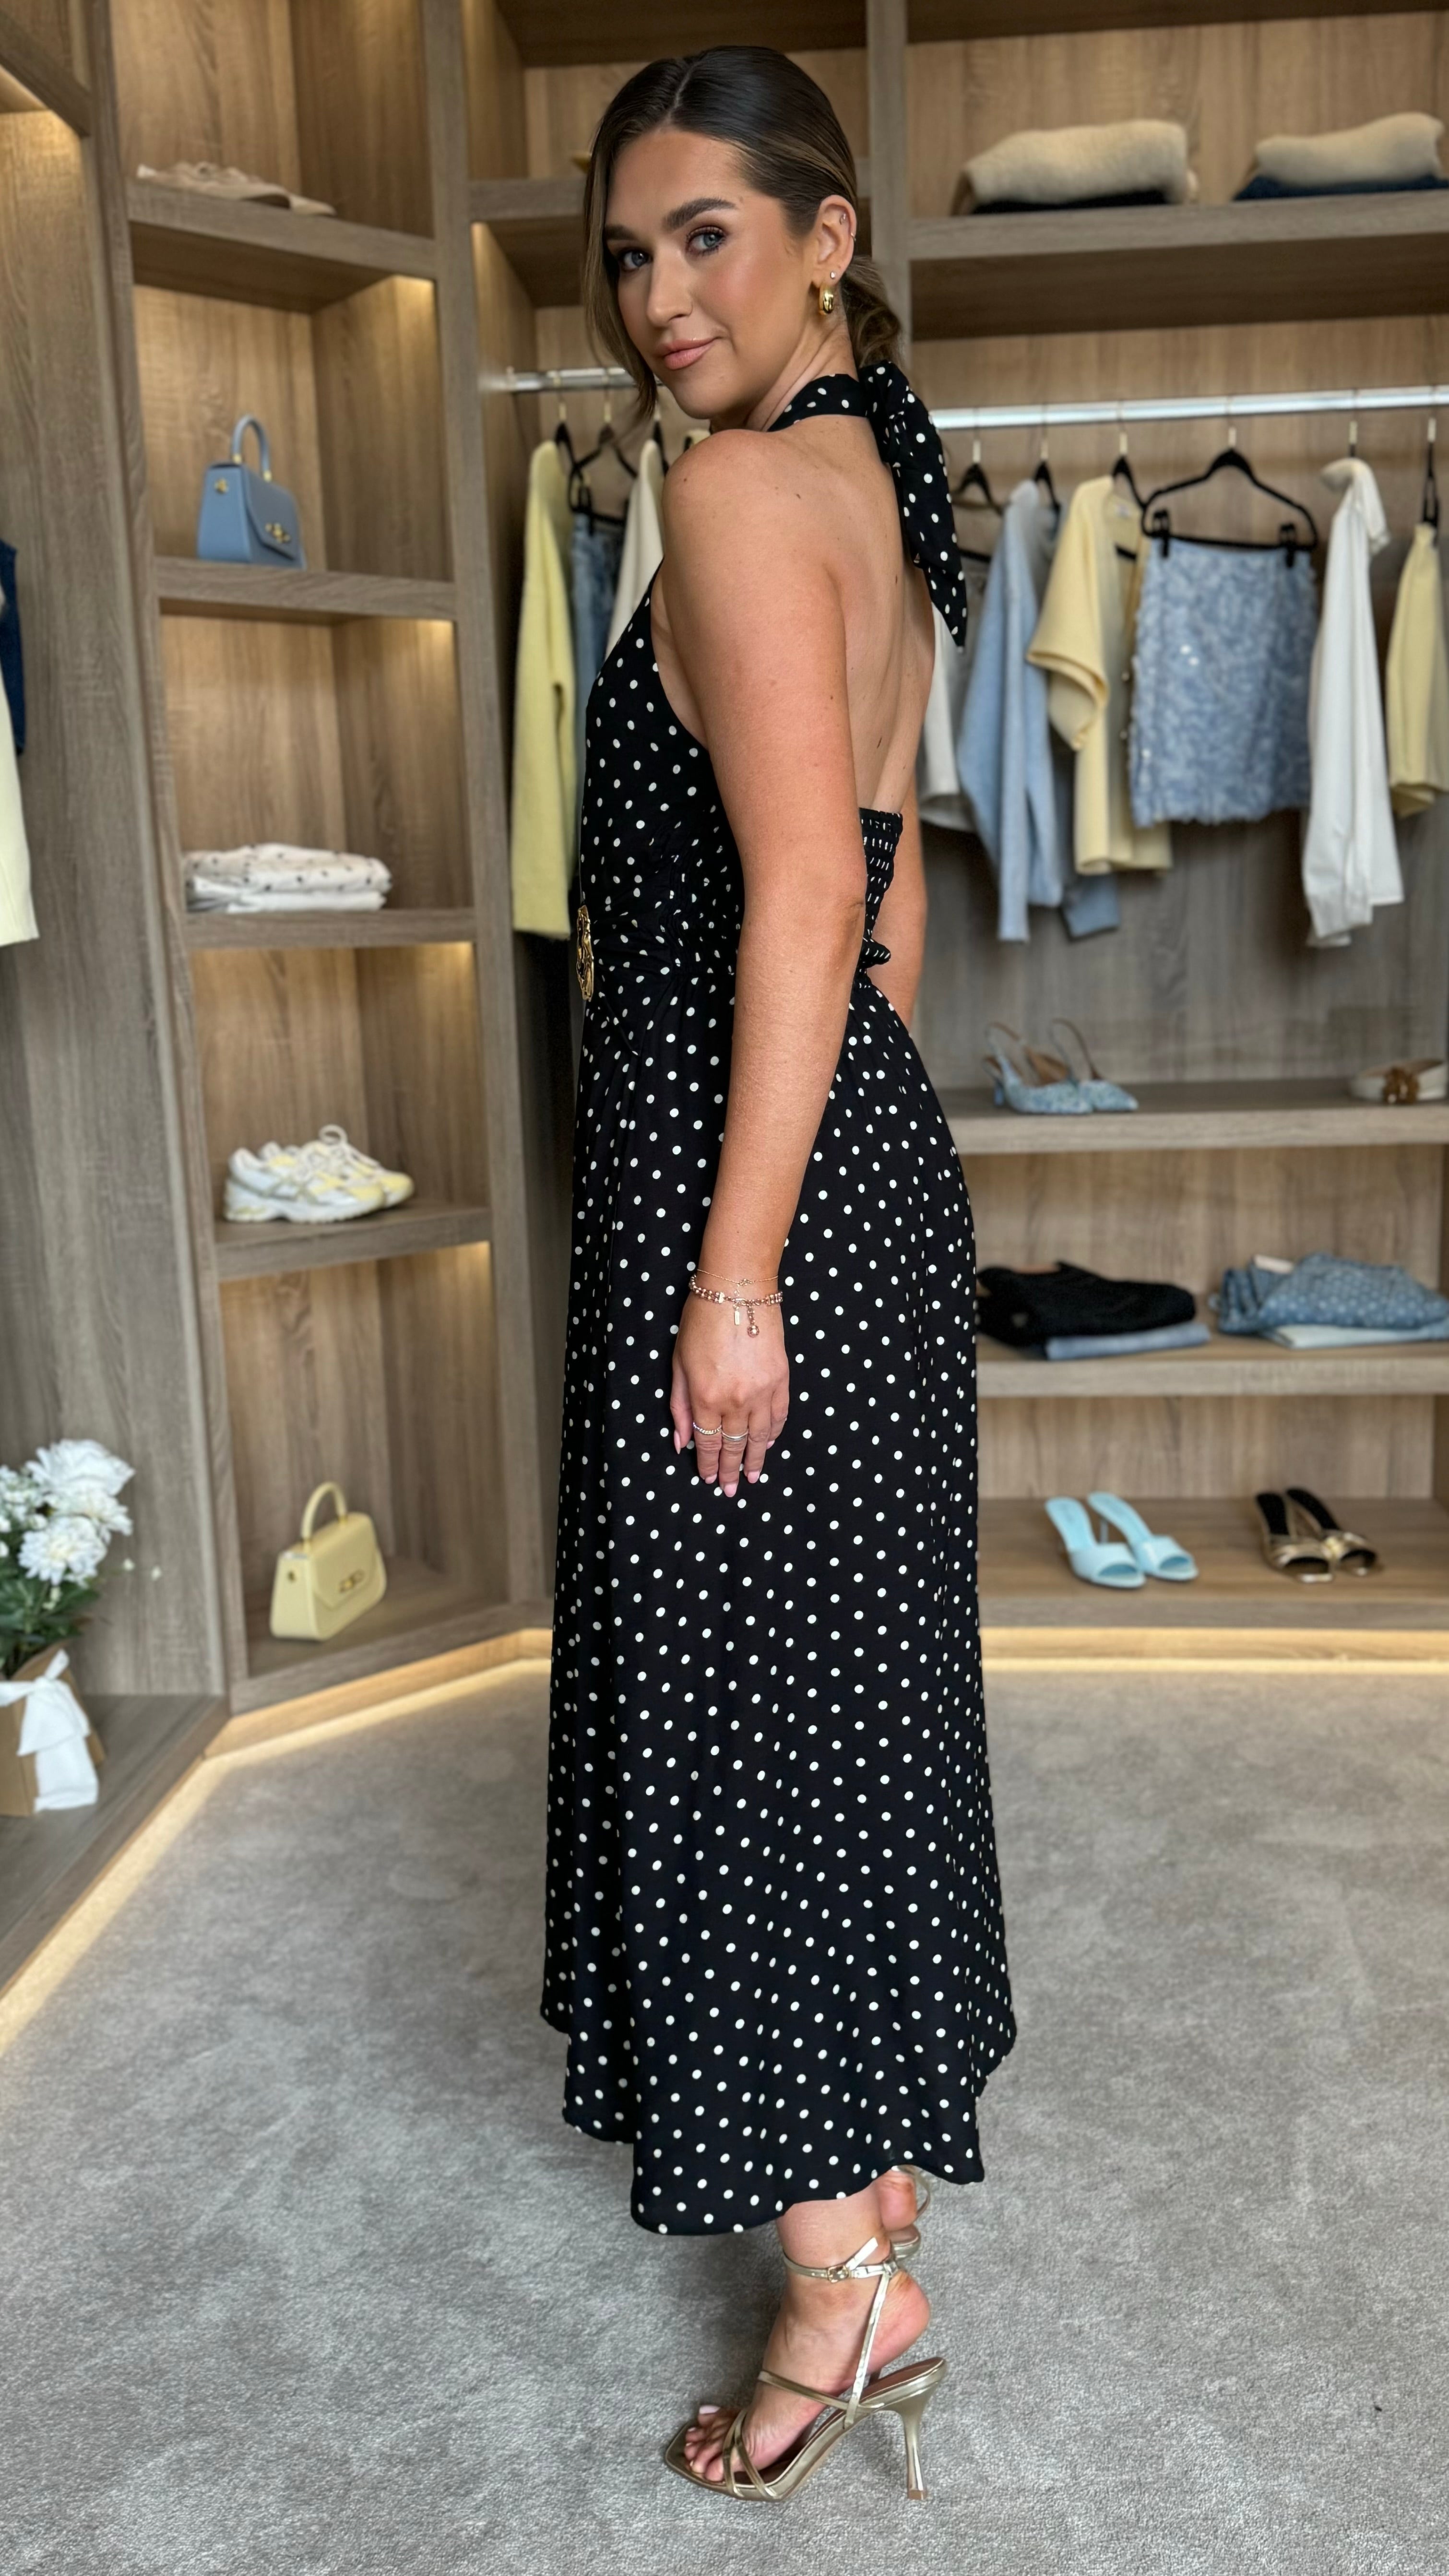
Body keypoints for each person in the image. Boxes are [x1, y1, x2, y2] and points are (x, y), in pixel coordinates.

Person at [541, 44, 1016, 2504]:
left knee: (739, 1734)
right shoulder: (873, 494)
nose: (655, 293)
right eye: (626, 252)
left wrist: (736, 1270)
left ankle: (840, 2290)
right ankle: (874, 2182)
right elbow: (890, 892)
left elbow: (815, 893)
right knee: (839, 1714)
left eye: (703, 233)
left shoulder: (736, 497)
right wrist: (842, 1186)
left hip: (747, 1204)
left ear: (827, 237)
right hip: (848, 1168)